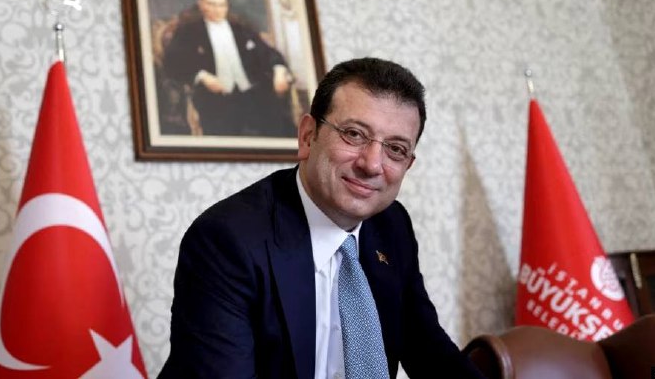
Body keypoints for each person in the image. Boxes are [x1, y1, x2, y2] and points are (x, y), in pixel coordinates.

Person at [157, 58, 484, 378]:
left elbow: (427, 346)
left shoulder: (392, 224)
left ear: (408, 164)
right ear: (308, 136)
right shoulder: (227, 241)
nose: (372, 164)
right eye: (354, 134)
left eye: (395, 149)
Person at [163, 0, 296, 137]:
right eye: (212, 4)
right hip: (216, 99)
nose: (218, 10)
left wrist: (279, 70)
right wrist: (202, 76)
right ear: (201, 4)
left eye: (222, 5)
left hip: (253, 93)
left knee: (282, 130)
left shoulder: (240, 28)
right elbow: (173, 61)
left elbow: (268, 52)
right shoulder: (189, 31)